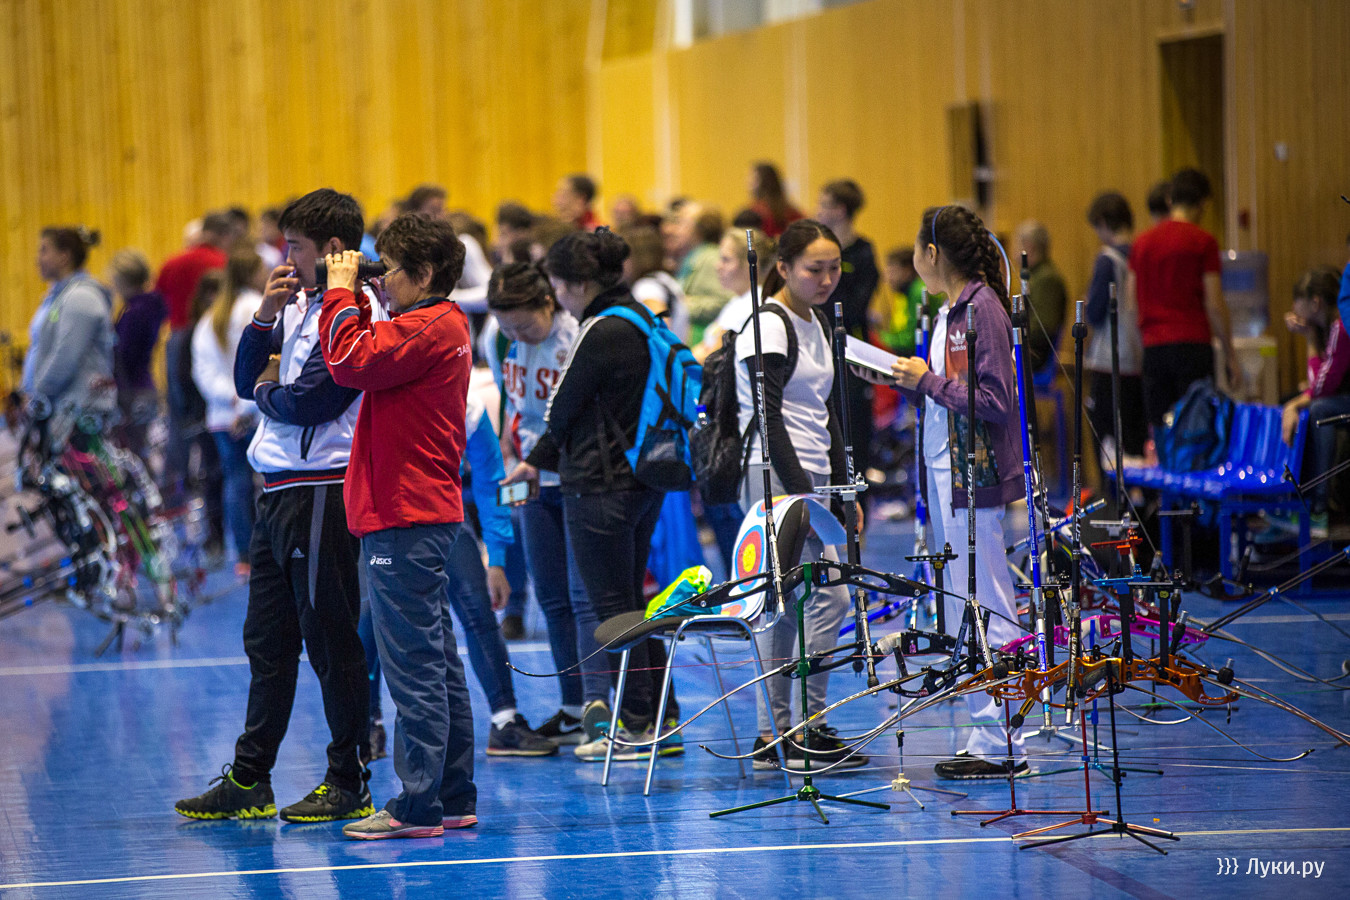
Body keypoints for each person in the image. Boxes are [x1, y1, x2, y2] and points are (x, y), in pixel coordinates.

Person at [174, 189, 372, 827]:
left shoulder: (357, 307)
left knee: (330, 639)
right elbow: (245, 381)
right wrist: (263, 318)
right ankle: (250, 778)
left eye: (296, 247)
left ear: (333, 250)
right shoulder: (300, 304)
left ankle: (349, 778)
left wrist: (268, 390)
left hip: (322, 488)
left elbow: (314, 401)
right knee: (266, 640)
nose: (285, 259)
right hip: (279, 490)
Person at [314, 212, 476, 840]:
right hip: (419, 512)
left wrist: (338, 292)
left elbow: (350, 360)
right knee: (437, 660)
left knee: (413, 665)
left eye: (392, 271)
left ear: (425, 274)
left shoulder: (429, 327)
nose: (382, 281)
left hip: (404, 516)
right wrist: (358, 294)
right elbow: (371, 347)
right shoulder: (438, 324)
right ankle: (452, 795)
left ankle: (416, 805)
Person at [506, 229, 681, 763]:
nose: (557, 295)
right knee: (632, 603)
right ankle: (661, 718)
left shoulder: (600, 329)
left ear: (577, 284)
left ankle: (635, 724)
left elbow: (561, 410)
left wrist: (532, 463)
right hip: (643, 479)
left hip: (599, 485)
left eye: (558, 285)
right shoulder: (642, 317)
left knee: (612, 609)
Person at [876, 205, 1026, 779]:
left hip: (974, 475)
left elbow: (994, 400)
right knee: (967, 604)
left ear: (932, 253)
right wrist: (912, 382)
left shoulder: (982, 309)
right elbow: (950, 391)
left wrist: (928, 382)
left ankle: (1002, 743)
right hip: (948, 471)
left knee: (989, 601)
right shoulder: (951, 311)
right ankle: (985, 736)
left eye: (917, 249)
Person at [734, 220, 864, 772]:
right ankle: (794, 730)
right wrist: (806, 497)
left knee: (796, 602)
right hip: (776, 477)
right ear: (783, 268)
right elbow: (770, 422)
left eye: (835, 268)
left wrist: (843, 489)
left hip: (811, 476)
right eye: (815, 269)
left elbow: (824, 413)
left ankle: (782, 732)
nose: (827, 279)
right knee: (814, 598)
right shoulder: (768, 324)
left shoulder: (815, 321)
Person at [486, 261, 610, 743]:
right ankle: (573, 707)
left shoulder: (575, 336)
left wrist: (541, 459)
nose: (517, 335)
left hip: (575, 477)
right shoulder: (499, 339)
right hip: (530, 482)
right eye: (508, 328)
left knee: (583, 598)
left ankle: (600, 708)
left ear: (547, 303)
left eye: (524, 325)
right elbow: (511, 400)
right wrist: (506, 446)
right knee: (552, 598)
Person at [1129, 167, 1238, 434]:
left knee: (1161, 430)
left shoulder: (1141, 243)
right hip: (1193, 346)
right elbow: (1214, 303)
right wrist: (1230, 355)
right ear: (1204, 203)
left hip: (1154, 346)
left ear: (1170, 199)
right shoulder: (1203, 242)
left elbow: (1131, 304)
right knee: (1195, 430)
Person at [191, 250, 263, 579]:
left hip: (223, 416)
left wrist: (232, 400)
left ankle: (245, 556)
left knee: (236, 483)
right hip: (255, 413)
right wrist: (244, 404)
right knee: (267, 483)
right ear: (252, 272)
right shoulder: (258, 306)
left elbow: (203, 374)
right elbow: (269, 362)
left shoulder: (209, 319)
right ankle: (267, 551)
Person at [160, 211, 234, 499]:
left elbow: (160, 299)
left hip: (178, 338)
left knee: (179, 421)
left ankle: (173, 495)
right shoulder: (221, 262)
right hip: (210, 335)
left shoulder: (173, 262)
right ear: (221, 235)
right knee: (207, 422)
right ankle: (207, 490)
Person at [23, 226, 116, 444]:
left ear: (64, 256)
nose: (38, 259)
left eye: (44, 250)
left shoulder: (81, 298)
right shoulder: (58, 296)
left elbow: (65, 357)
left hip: (78, 408)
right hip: (61, 406)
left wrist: (39, 392)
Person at [816, 179, 881, 484]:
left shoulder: (863, 253)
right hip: (821, 350)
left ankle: (860, 497)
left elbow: (856, 307)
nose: (817, 210)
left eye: (823, 204)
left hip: (853, 356)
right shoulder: (817, 252)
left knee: (855, 430)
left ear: (840, 210)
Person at [1282, 267, 1350, 526]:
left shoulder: (1340, 327)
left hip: (1339, 400)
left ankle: (1320, 505)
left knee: (1318, 409)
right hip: (1340, 397)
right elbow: (1320, 382)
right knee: (1295, 401)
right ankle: (1290, 496)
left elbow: (1321, 388)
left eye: (1297, 300)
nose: (1293, 308)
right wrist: (1295, 401)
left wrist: (1309, 337)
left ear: (1315, 303)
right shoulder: (1330, 329)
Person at [1083, 192, 1146, 466]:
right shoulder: (1142, 254)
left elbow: (1094, 313)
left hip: (1110, 360)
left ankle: (1110, 489)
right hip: (1139, 356)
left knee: (1106, 439)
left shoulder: (1107, 259)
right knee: (1135, 438)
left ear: (1103, 222)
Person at [108, 249, 166, 457]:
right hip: (142, 387)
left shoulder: (135, 312)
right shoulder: (146, 307)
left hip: (133, 390)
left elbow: (125, 354)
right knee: (138, 452)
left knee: (134, 456)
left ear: (123, 280)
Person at [665, 202, 733, 336]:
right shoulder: (691, 257)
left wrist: (680, 305)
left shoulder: (710, 258)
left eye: (683, 224)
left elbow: (724, 301)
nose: (675, 230)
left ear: (699, 230)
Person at [1017, 220, 1067, 374]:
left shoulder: (1046, 279)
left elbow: (1042, 327)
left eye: (1017, 244)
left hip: (1036, 356)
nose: (1014, 250)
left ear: (1029, 246)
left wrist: (1011, 337)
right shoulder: (1035, 276)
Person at [622, 224, 689, 341]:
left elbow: (662, 327)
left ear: (636, 258)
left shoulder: (646, 287)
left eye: (624, 257)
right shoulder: (664, 278)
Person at [748, 162, 802, 239]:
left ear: (764, 182)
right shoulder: (790, 209)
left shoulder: (758, 211)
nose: (749, 183)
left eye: (754, 179)